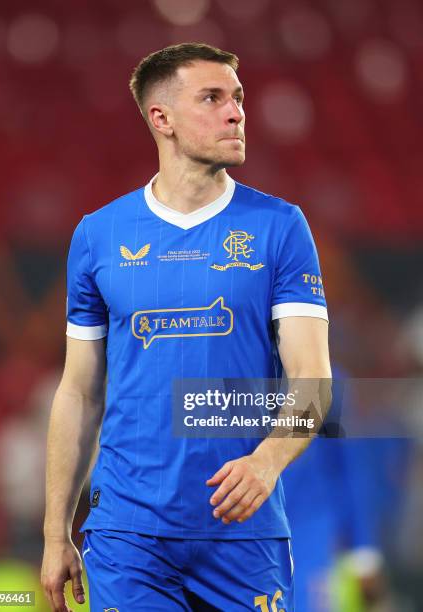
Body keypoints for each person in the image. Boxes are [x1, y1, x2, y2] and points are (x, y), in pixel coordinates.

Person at [41, 42, 331, 611]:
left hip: (243, 531)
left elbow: (312, 378)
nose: (236, 112)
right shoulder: (98, 236)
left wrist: (266, 462)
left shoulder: (280, 227)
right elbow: (78, 393)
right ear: (161, 118)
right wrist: (55, 534)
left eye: (239, 99)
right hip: (128, 534)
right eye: (213, 98)